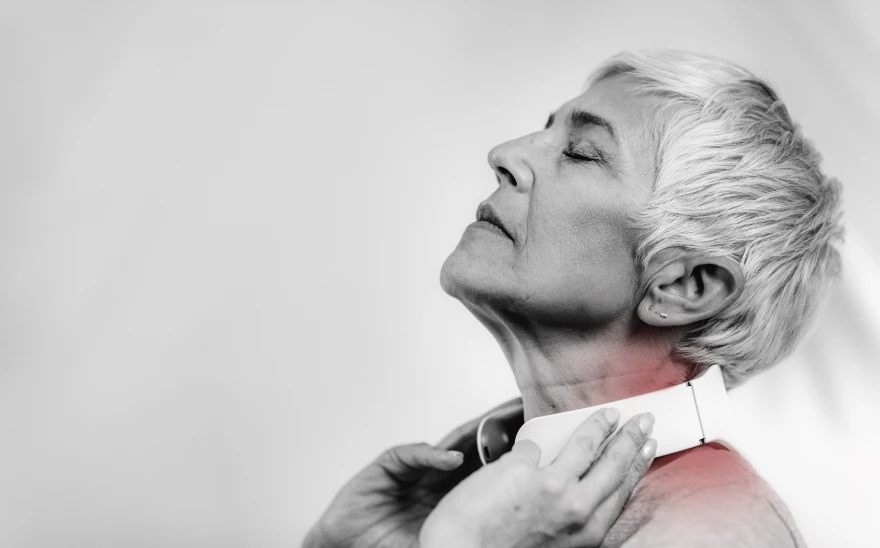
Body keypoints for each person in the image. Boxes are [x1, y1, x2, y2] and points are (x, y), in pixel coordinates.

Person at [305, 49, 844, 547]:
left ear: (685, 286)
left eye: (581, 153)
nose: (504, 154)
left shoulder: (712, 531)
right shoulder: (488, 492)